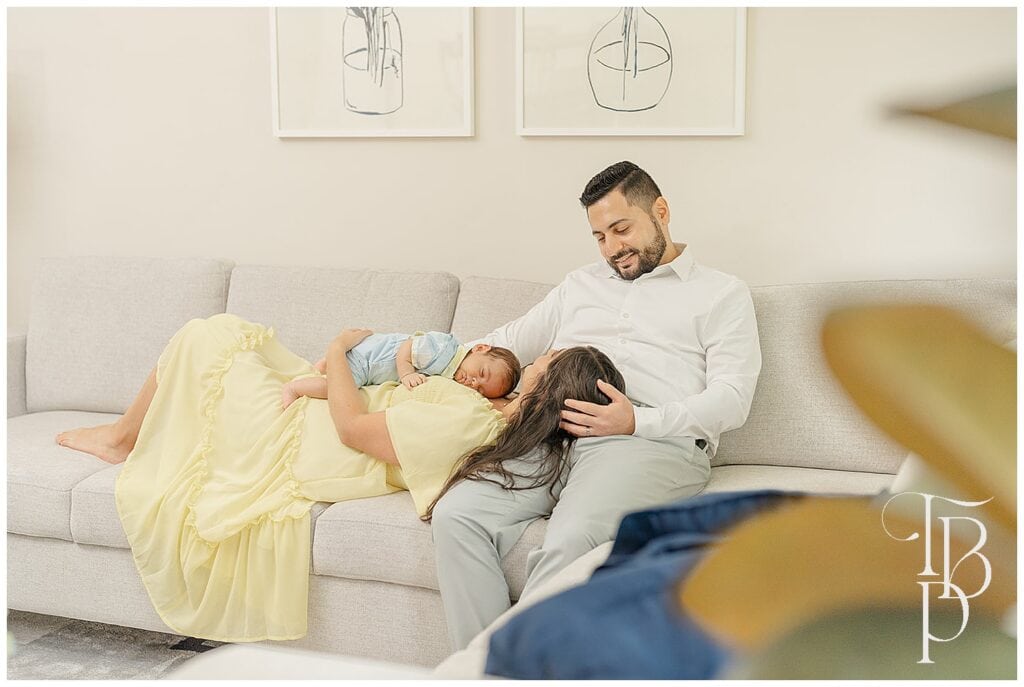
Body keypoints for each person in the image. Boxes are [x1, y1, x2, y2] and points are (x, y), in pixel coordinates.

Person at [53, 313, 623, 643]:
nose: (537, 355)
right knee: (214, 337)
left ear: (542, 389)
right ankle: (126, 435)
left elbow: (352, 429)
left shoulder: (472, 418)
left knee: (207, 337)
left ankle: (123, 438)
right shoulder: (486, 411)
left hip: (305, 438)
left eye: (546, 359)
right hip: (316, 415)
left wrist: (335, 348)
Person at [430, 160, 762, 650]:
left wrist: (635, 421)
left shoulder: (721, 294)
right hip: (548, 433)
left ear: (662, 211)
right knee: (457, 516)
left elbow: (733, 400)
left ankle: (517, 667)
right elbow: (500, 344)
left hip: (646, 442)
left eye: (621, 229)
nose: (612, 249)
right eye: (600, 236)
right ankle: (485, 670)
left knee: (573, 538)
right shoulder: (578, 286)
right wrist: (413, 361)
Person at [281, 331, 521, 409]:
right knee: (340, 389)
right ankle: (295, 388)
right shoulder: (447, 350)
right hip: (371, 359)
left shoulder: (451, 374)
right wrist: (406, 372)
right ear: (479, 348)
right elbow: (408, 346)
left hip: (371, 360)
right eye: (482, 374)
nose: (473, 382)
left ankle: (326, 364)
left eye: (481, 388)